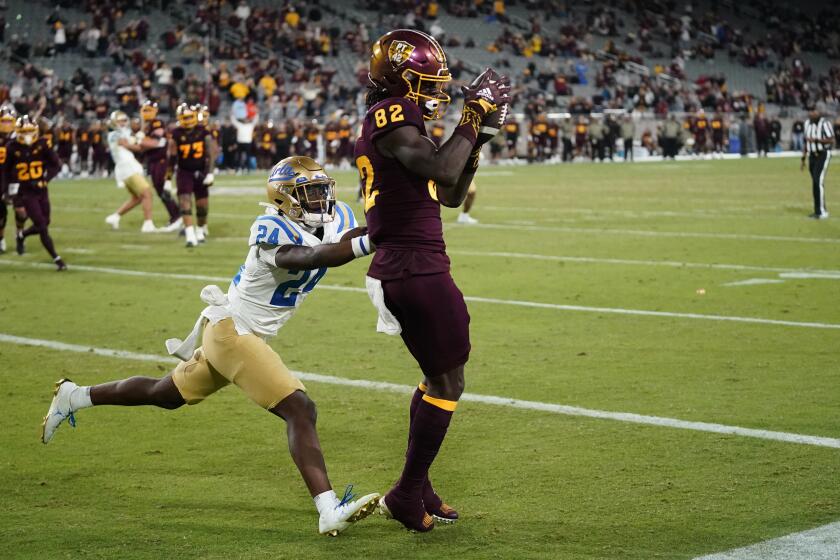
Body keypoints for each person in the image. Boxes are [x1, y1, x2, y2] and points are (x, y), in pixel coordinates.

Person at [41, 156, 381, 536]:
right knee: (300, 408)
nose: (321, 200)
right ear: (285, 198)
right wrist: (372, 240)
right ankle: (328, 508)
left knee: (164, 394)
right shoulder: (270, 225)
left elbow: (344, 239)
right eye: (310, 192)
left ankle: (75, 396)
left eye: (322, 190)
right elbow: (309, 256)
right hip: (232, 333)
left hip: (243, 335)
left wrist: (384, 227)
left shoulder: (335, 217)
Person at [355, 29, 511, 532]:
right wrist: (470, 118)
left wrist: (479, 137)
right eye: (427, 80)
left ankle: (417, 487)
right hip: (411, 264)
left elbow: (450, 193)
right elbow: (443, 173)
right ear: (400, 78)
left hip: (414, 262)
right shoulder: (393, 113)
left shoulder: (405, 119)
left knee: (436, 377)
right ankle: (405, 492)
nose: (437, 91)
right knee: (449, 381)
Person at [5, 115, 65, 270]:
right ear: (17, 131)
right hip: (26, 192)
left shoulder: (43, 144)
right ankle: (57, 258)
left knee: (46, 222)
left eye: (30, 131)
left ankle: (22, 235)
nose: (27, 135)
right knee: (41, 226)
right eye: (23, 132)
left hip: (41, 189)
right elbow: (6, 171)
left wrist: (46, 178)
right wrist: (9, 191)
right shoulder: (12, 147)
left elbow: (56, 164)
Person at [170, 104, 216, 246]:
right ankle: (190, 235)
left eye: (190, 116)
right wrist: (167, 178)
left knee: (202, 206)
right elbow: (171, 156)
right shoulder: (176, 133)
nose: (188, 120)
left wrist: (210, 173)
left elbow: (211, 153)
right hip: (184, 172)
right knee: (184, 201)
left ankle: (200, 230)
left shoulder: (203, 132)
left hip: (201, 171)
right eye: (186, 117)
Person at [139, 100, 181, 232]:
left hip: (161, 160)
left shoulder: (157, 123)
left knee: (162, 189)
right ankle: (175, 215)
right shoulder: (146, 125)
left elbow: (157, 142)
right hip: (153, 161)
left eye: (149, 110)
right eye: (145, 110)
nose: (146, 113)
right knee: (159, 190)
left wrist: (140, 140)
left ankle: (177, 215)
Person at [801, 105, 834, 219]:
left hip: (823, 154)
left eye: (813, 111)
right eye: (809, 111)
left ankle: (821, 212)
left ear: (818, 112)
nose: (811, 113)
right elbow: (806, 142)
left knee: (817, 181)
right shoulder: (807, 124)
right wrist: (803, 158)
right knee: (816, 182)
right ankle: (819, 209)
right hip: (812, 155)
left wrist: (816, 140)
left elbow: (831, 139)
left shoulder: (825, 123)